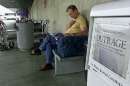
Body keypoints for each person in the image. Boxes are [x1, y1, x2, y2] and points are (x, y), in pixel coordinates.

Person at [39, 5, 88, 71]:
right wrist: (70, 24)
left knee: (48, 38)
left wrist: (72, 34)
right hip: (64, 37)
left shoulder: (81, 19)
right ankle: (48, 64)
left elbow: (85, 32)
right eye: (69, 14)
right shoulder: (75, 19)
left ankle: (40, 49)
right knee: (49, 44)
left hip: (68, 40)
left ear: (76, 10)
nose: (70, 16)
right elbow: (67, 29)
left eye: (71, 14)